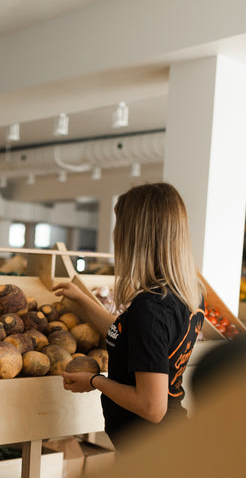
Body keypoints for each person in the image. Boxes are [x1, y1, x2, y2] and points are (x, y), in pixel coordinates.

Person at [54, 182, 205, 449]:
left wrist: (95, 381)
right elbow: (129, 335)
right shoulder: (189, 293)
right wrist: (82, 300)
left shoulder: (151, 307)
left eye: (119, 226)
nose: (116, 234)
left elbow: (152, 407)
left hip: (151, 451)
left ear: (135, 237)